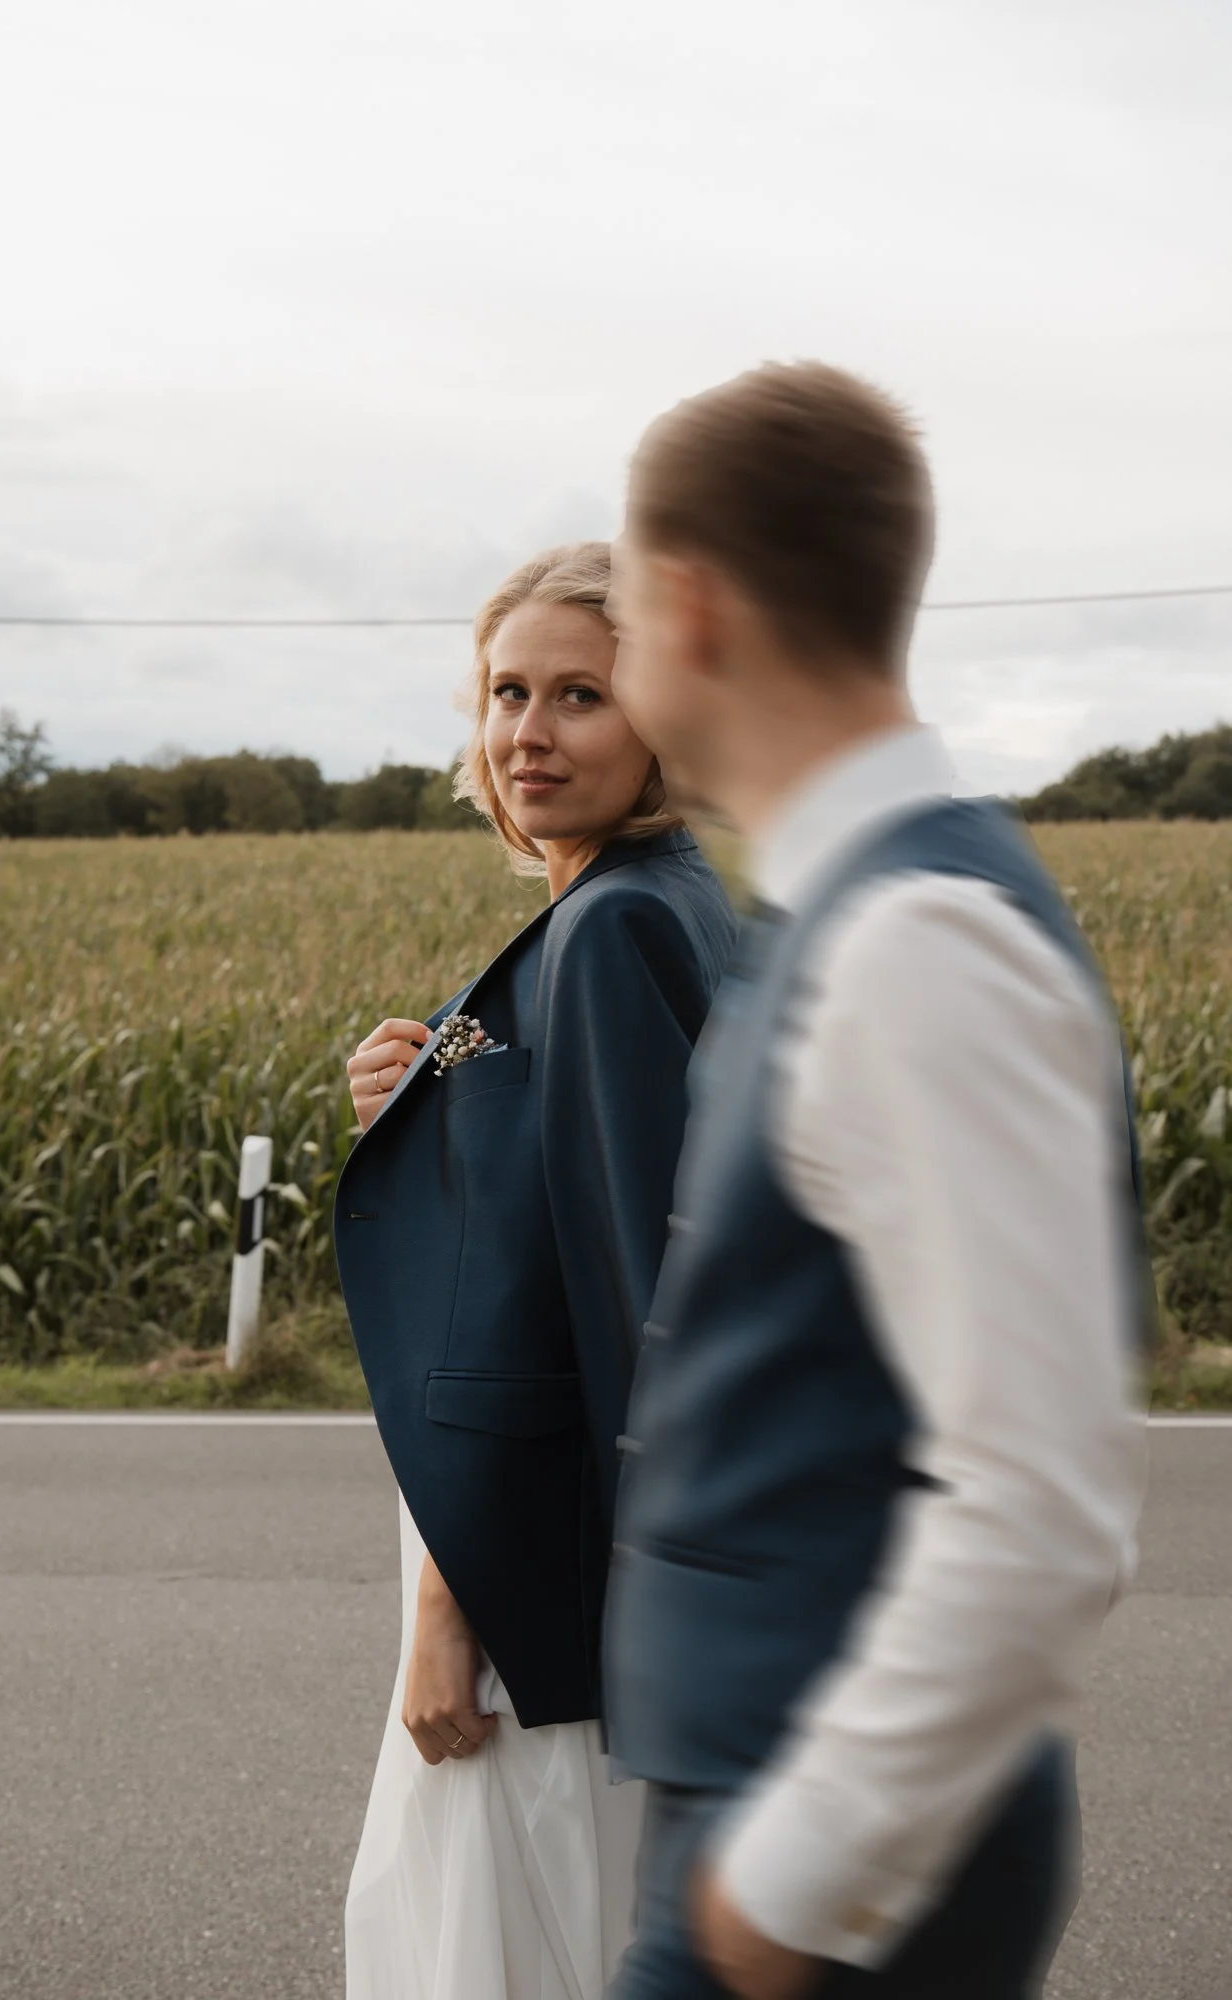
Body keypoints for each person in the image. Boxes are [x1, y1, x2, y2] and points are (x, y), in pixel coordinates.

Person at [603, 363, 1148, 1999]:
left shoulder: (917, 945)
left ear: (691, 607)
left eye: (620, 615)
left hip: (823, 1862)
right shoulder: (853, 912)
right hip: (772, 1811)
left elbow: (1044, 1497)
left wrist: (798, 1873)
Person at [334, 540, 736, 2000]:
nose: (529, 733)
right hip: (530, 1563)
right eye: (508, 691)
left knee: (492, 1957)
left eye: (584, 694)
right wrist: (429, 1100)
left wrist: (451, 1620)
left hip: (520, 1580)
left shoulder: (616, 928)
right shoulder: (626, 908)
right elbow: (542, 1181)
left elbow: (604, 1305)